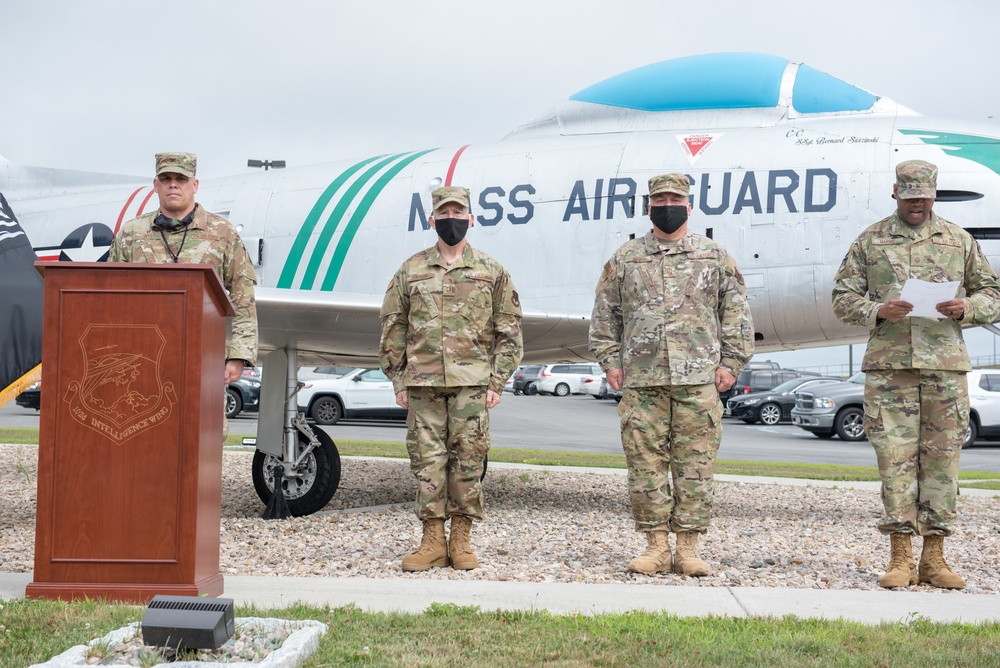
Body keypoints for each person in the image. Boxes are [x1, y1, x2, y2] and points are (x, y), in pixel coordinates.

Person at [832, 159, 1000, 590]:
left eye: (924, 199)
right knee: (895, 462)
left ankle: (935, 559)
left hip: (944, 368)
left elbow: (992, 293)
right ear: (895, 193)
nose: (917, 206)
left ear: (934, 195)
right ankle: (901, 558)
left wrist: (969, 308)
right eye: (910, 199)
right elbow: (841, 297)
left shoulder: (959, 240)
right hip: (890, 370)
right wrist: (876, 310)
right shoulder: (871, 241)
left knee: (942, 463)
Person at [589, 173, 754, 577]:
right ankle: (656, 546)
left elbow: (736, 315)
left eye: (674, 198)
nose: (667, 205)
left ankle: (688, 548)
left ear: (689, 205)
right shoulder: (626, 258)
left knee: (695, 467)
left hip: (698, 381)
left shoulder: (714, 256)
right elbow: (604, 315)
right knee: (645, 466)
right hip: (642, 383)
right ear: (648, 206)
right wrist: (610, 361)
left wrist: (731, 365)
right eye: (659, 199)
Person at [379, 185, 523, 571]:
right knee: (427, 462)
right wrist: (398, 379)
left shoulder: (492, 272)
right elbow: (393, 327)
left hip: (471, 385)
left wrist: (497, 382)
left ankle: (461, 540)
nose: (451, 220)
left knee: (468, 462)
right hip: (423, 384)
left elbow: (509, 331)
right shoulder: (410, 271)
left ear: (471, 218)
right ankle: (431, 542)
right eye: (444, 213)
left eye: (459, 213)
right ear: (432, 219)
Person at [109, 152, 258, 381]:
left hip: (203, 359)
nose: (173, 185)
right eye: (166, 179)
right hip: (139, 361)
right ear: (155, 185)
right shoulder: (131, 234)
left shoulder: (222, 233)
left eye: (181, 179)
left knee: (205, 418)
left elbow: (243, 298)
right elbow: (110, 297)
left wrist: (238, 356)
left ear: (195, 185)